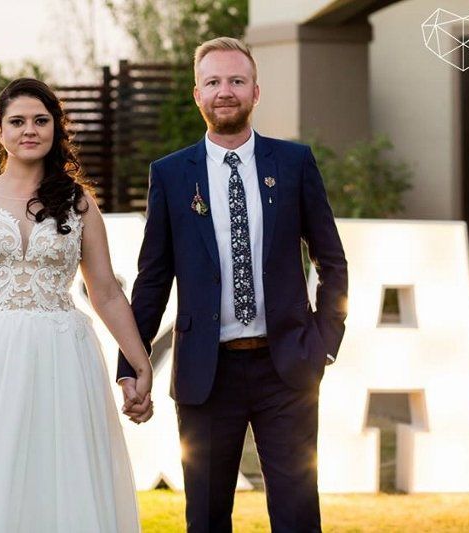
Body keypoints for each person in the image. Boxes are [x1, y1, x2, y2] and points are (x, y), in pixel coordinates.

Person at [0, 78, 153, 532]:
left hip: (59, 355)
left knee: (55, 471)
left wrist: (139, 361)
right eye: (17, 121)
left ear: (56, 128)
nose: (29, 130)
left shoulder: (79, 204)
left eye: (41, 120)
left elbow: (106, 291)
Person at [117, 37, 348, 532]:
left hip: (287, 368)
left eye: (237, 81)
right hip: (206, 373)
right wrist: (132, 365)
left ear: (255, 92)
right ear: (197, 94)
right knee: (205, 518)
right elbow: (152, 279)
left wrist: (325, 343)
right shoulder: (170, 175)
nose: (225, 91)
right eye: (214, 82)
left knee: (297, 517)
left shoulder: (294, 163)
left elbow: (331, 260)